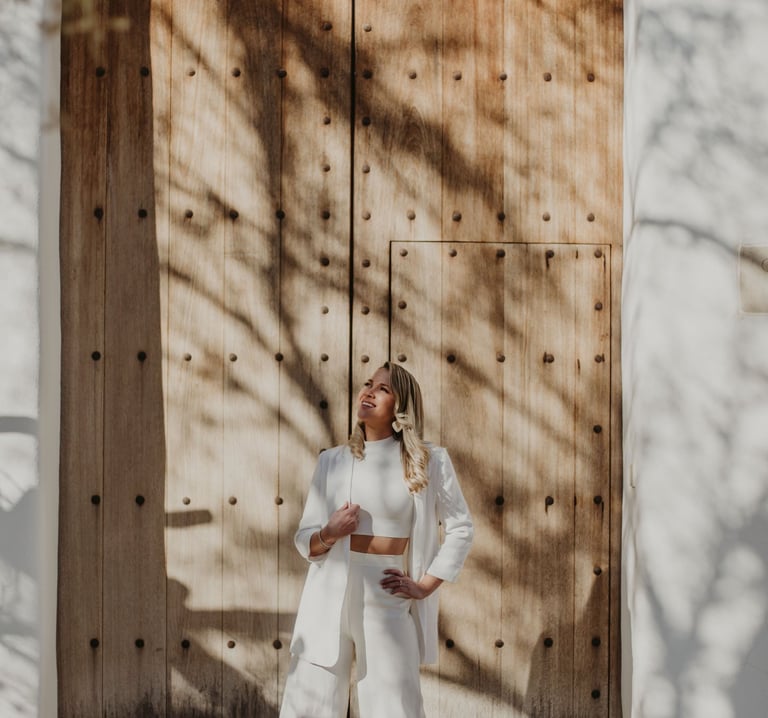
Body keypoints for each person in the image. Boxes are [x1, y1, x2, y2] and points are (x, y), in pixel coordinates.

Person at [280, 361, 474, 718]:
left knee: (393, 707)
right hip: (328, 596)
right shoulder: (332, 461)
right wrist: (329, 532)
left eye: (383, 388)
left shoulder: (430, 461)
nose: (368, 391)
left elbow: (461, 528)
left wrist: (425, 585)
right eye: (368, 384)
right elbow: (305, 540)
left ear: (401, 406)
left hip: (387, 596)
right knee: (309, 706)